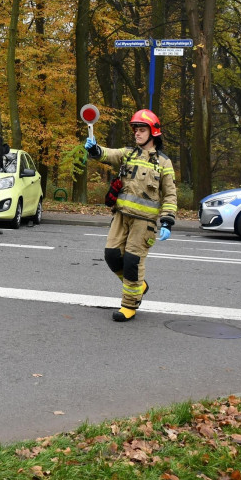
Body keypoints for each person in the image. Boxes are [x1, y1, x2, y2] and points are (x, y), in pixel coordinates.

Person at [84, 108, 177, 322]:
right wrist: (95, 149)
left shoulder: (163, 163)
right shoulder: (128, 154)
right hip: (121, 216)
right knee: (112, 255)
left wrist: (167, 221)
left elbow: (170, 194)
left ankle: (129, 305)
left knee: (132, 263)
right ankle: (138, 286)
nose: (137, 133)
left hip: (144, 223)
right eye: (135, 129)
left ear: (153, 132)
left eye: (141, 129)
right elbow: (107, 154)